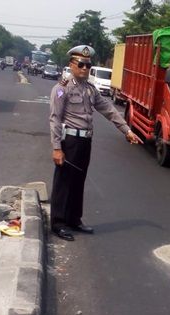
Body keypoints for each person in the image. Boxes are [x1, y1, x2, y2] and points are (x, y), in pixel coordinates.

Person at [49, 44, 142, 241]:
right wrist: (57, 148)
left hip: (85, 142)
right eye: (81, 64)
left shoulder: (90, 90)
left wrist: (127, 131)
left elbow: (109, 110)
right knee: (64, 182)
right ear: (71, 64)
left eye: (88, 65)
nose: (84, 68)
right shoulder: (61, 89)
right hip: (70, 141)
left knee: (79, 181)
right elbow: (55, 119)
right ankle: (58, 223)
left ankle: (74, 219)